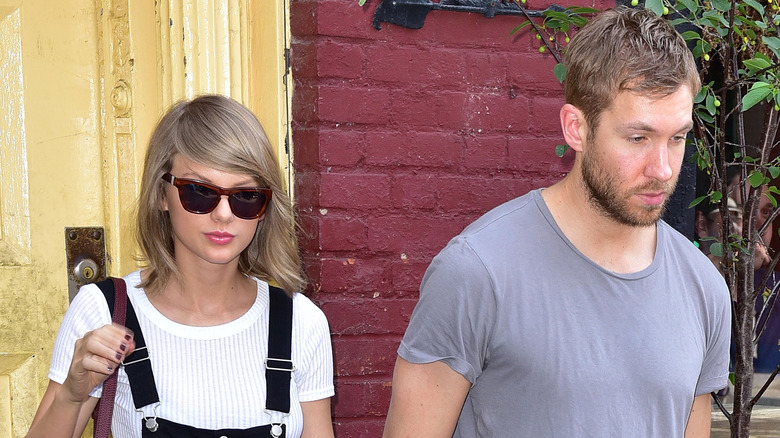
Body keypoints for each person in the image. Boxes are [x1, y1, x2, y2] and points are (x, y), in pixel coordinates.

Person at [383, 7, 730, 438]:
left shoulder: (704, 289)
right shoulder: (477, 272)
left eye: (676, 138)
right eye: (638, 138)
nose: (662, 168)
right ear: (576, 129)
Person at [27, 95, 335, 438]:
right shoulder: (104, 312)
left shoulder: (300, 323)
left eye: (245, 196)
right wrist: (71, 395)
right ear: (162, 194)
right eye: (199, 192)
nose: (223, 214)